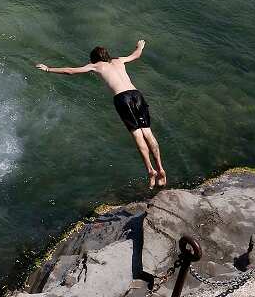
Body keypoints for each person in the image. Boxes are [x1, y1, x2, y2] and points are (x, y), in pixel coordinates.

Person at [35, 40, 167, 189]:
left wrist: (48, 69)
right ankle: (161, 169)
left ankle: (150, 170)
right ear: (107, 55)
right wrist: (140, 46)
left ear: (94, 58)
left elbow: (70, 71)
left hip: (122, 98)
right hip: (137, 95)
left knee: (137, 135)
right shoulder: (119, 60)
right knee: (148, 133)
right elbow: (135, 55)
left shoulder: (96, 66)